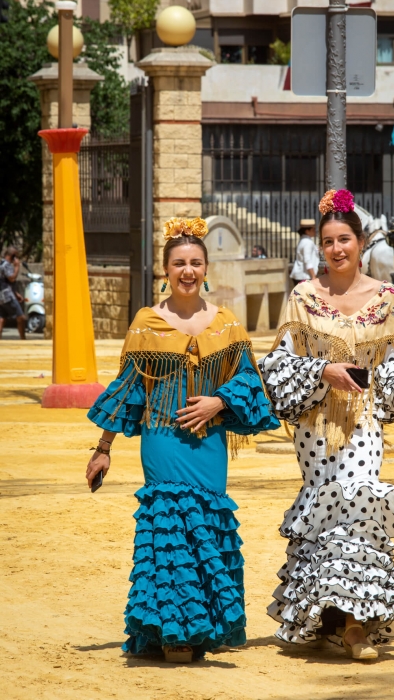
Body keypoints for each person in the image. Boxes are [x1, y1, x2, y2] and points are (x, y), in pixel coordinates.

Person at [85, 217, 279, 662]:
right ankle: (172, 635)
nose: (187, 271)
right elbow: (127, 391)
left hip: (208, 447)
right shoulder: (146, 323)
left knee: (206, 531)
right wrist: (103, 448)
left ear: (206, 268)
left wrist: (218, 402)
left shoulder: (227, 324)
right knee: (168, 534)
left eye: (195, 262)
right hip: (161, 441)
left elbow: (251, 384)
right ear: (165, 271)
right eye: (178, 264)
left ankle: (198, 630)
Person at [259, 189, 394, 661]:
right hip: (315, 429)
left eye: (344, 239)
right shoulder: (303, 297)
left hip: (364, 425)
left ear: (360, 241)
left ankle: (356, 626)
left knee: (357, 502)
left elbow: (391, 361)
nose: (336, 249)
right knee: (326, 513)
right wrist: (321, 371)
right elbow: (277, 365)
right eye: (328, 241)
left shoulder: (387, 297)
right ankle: (329, 618)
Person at [0, 247, 26, 340]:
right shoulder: (6, 265)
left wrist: (16, 293)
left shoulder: (1, 263)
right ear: (13, 256)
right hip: (7, 296)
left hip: (2, 296)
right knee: (21, 317)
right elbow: (12, 278)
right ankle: (23, 339)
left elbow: (4, 282)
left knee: (2, 318)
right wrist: (17, 267)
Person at [290, 218, 320, 285]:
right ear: (307, 231)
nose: (315, 231)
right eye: (313, 229)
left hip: (300, 275)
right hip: (304, 276)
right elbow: (307, 260)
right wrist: (313, 276)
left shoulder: (304, 241)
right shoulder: (308, 242)